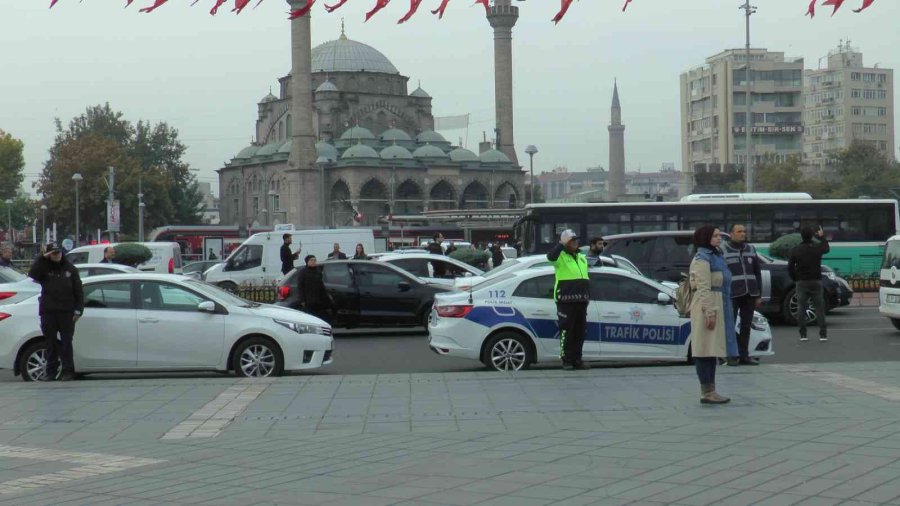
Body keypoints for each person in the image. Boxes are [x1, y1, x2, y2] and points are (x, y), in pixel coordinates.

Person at [688, 225, 733, 404]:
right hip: (708, 305)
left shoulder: (715, 255)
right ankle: (706, 391)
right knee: (704, 349)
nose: (719, 238)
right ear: (706, 237)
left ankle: (711, 390)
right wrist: (709, 312)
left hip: (717, 302)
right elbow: (703, 287)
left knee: (712, 349)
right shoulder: (702, 259)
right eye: (715, 236)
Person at [27, 242, 84, 382]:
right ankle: (51, 372)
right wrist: (42, 257)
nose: (56, 255)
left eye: (58, 252)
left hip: (66, 312)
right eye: (53, 253)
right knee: (50, 343)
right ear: (49, 255)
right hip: (48, 311)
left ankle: (68, 371)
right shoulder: (44, 268)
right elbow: (32, 273)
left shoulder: (70, 269)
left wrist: (78, 310)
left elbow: (78, 291)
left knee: (66, 343)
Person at [547, 229, 591, 370]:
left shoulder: (581, 256)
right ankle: (566, 359)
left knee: (580, 332)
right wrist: (561, 244)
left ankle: (577, 359)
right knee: (566, 331)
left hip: (581, 300)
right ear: (566, 243)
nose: (575, 243)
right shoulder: (560, 256)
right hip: (566, 300)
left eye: (576, 240)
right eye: (572, 241)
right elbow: (550, 257)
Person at [722, 224, 762, 366]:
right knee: (730, 325)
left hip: (749, 293)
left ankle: (744, 355)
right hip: (732, 294)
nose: (743, 234)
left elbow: (757, 272)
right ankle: (731, 355)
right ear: (731, 234)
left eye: (744, 231)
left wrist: (758, 295)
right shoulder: (723, 249)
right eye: (739, 231)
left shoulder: (750, 249)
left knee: (746, 326)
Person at [789, 226, 830, 342]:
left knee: (801, 307)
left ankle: (803, 334)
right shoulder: (817, 248)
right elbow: (826, 249)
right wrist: (822, 237)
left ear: (801, 236)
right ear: (812, 236)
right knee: (819, 308)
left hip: (801, 282)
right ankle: (823, 334)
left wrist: (795, 278)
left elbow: (790, 267)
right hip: (816, 281)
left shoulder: (796, 250)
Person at [296, 255, 330, 322]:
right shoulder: (303, 272)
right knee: (310, 318)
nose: (313, 262)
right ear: (307, 262)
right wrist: (302, 300)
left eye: (314, 260)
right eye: (311, 260)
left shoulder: (318, 271)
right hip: (309, 301)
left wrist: (326, 299)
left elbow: (321, 286)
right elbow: (300, 287)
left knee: (321, 318)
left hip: (319, 301)